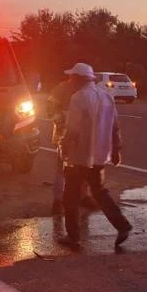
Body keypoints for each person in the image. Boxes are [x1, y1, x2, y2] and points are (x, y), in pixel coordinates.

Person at [56, 63, 132, 250]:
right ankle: (122, 225)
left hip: (79, 156)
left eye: (72, 78)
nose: (70, 81)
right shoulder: (106, 96)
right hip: (98, 155)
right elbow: (115, 126)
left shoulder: (78, 98)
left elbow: (72, 130)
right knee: (99, 192)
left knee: (70, 196)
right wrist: (115, 149)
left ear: (79, 79)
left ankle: (73, 237)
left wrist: (64, 149)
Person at [48, 73, 98, 217]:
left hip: (84, 136)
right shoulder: (61, 89)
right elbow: (50, 110)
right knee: (62, 169)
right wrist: (63, 121)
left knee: (85, 167)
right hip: (65, 135)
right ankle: (57, 202)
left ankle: (83, 196)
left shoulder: (88, 91)